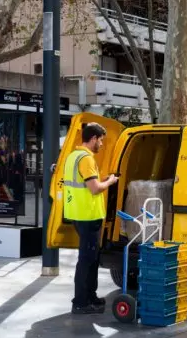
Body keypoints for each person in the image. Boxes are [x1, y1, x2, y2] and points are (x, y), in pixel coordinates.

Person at [63, 122, 119, 314]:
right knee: (87, 260)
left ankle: (90, 297)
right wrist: (110, 181)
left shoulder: (72, 156)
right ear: (93, 138)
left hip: (78, 214)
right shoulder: (86, 159)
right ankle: (80, 302)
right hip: (88, 216)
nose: (102, 144)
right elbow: (94, 188)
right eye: (101, 140)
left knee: (91, 258)